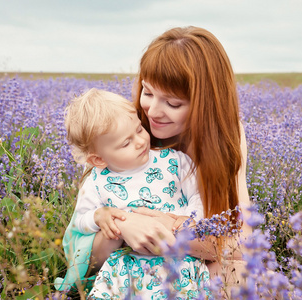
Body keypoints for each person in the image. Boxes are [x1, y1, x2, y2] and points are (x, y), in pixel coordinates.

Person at [87, 26, 253, 297]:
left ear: (205, 104)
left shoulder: (226, 136)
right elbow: (83, 260)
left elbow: (239, 242)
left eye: (173, 104)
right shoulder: (117, 133)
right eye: (147, 92)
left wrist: (167, 227)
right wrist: (123, 225)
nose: (152, 111)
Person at [55, 88, 210, 297]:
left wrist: (187, 221)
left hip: (177, 262)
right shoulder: (97, 180)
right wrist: (99, 216)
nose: (140, 141)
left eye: (138, 129)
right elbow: (80, 221)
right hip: (124, 269)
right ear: (99, 159)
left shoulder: (174, 161)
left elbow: (197, 196)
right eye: (126, 143)